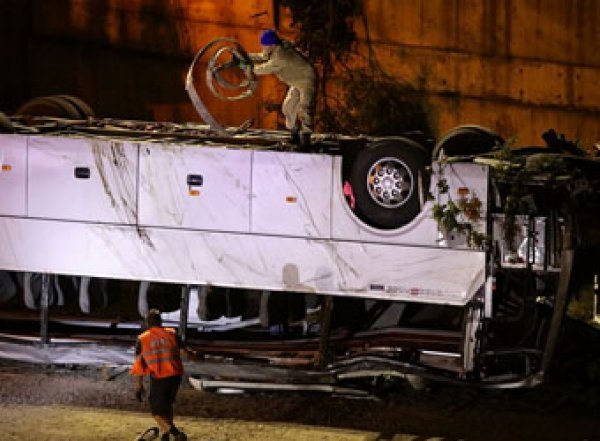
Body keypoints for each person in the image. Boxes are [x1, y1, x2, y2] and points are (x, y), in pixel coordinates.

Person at [247, 29, 316, 147]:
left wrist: (247, 67)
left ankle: (306, 138)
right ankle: (294, 133)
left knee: (304, 108)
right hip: (296, 81)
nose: (263, 48)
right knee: (288, 107)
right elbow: (263, 57)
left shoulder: (281, 56)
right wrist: (246, 56)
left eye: (265, 46)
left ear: (272, 45)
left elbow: (263, 68)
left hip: (306, 80)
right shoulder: (275, 48)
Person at [131, 309, 187, 441]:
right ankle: (165, 434)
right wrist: (197, 356)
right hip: (175, 375)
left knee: (156, 412)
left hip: (159, 377)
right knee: (167, 405)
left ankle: (175, 433)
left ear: (147, 323)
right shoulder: (171, 333)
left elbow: (139, 364)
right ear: (161, 321)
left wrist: (139, 386)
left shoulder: (143, 339)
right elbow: (185, 351)